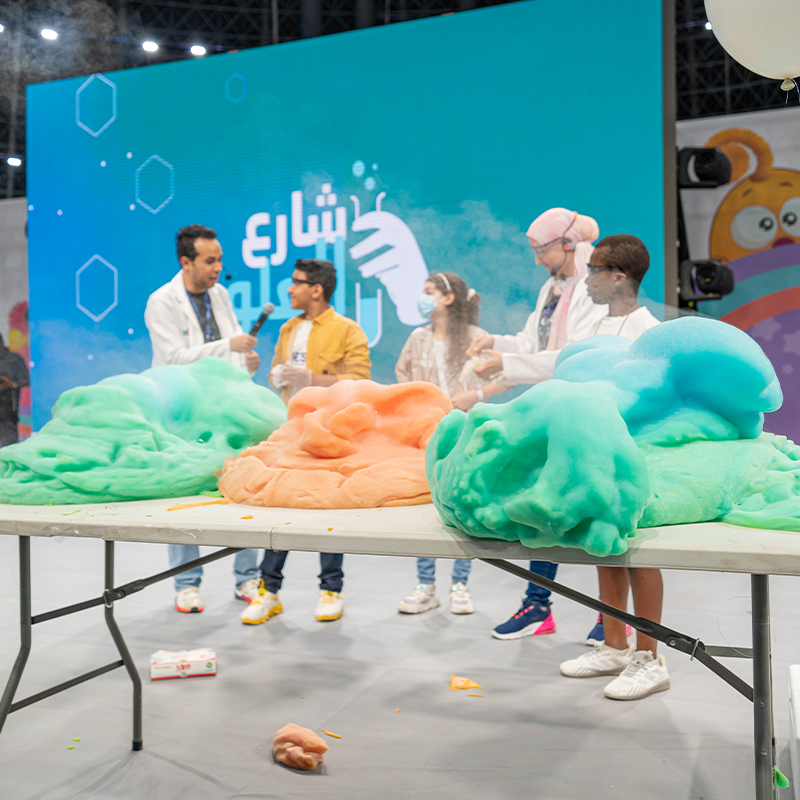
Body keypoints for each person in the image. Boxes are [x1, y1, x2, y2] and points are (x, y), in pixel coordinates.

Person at [464, 208, 608, 641]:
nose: (537, 260)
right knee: (543, 506)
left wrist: (505, 364)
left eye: (540, 250)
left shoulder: (592, 288)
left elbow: (573, 355)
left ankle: (611, 619)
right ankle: (538, 605)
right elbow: (535, 343)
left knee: (600, 510)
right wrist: (497, 344)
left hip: (587, 412)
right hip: (553, 411)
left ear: (566, 243)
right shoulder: (553, 287)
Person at [559, 234, 667, 701]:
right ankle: (614, 646)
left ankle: (650, 658)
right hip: (598, 452)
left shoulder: (651, 333)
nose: (585, 280)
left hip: (637, 453)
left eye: (593, 270)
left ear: (619, 276)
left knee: (639, 552)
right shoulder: (595, 329)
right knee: (605, 546)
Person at [242, 258, 371, 625]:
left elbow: (360, 380)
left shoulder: (348, 330)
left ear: (316, 289)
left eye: (296, 282)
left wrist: (312, 377)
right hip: (291, 433)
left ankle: (331, 590)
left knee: (327, 512)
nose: (289, 289)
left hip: (329, 436)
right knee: (279, 509)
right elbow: (274, 374)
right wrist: (278, 377)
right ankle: (268, 591)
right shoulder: (288, 328)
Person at [144, 224, 262, 614]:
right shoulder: (161, 302)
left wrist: (245, 362)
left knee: (241, 488)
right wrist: (228, 346)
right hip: (183, 413)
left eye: (220, 260)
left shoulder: (220, 295)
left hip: (227, 409)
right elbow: (173, 358)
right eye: (210, 261)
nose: (217, 268)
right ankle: (186, 583)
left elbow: (232, 352)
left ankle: (247, 577)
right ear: (186, 262)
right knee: (182, 494)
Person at [394, 272, 487, 616]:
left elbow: (499, 377)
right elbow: (402, 375)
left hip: (464, 433)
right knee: (426, 506)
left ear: (448, 298)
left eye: (429, 291)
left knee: (461, 504)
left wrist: (475, 395)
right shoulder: (417, 337)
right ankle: (425, 585)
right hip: (426, 435)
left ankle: (459, 584)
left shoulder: (474, 337)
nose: (423, 297)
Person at [0, 333, 29, 447]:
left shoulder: (14, 359)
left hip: (8, 412)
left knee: (9, 446)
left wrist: (11, 384)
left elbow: (26, 380)